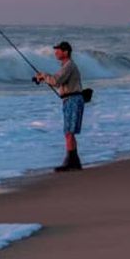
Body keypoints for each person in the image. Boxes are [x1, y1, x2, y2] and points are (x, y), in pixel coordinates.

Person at [35, 41, 84, 172]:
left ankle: (70, 162)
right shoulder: (66, 66)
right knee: (69, 132)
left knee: (69, 132)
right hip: (70, 99)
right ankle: (74, 161)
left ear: (66, 52)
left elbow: (56, 81)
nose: (55, 52)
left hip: (73, 99)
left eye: (58, 50)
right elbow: (57, 80)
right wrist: (43, 78)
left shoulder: (68, 66)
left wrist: (43, 75)